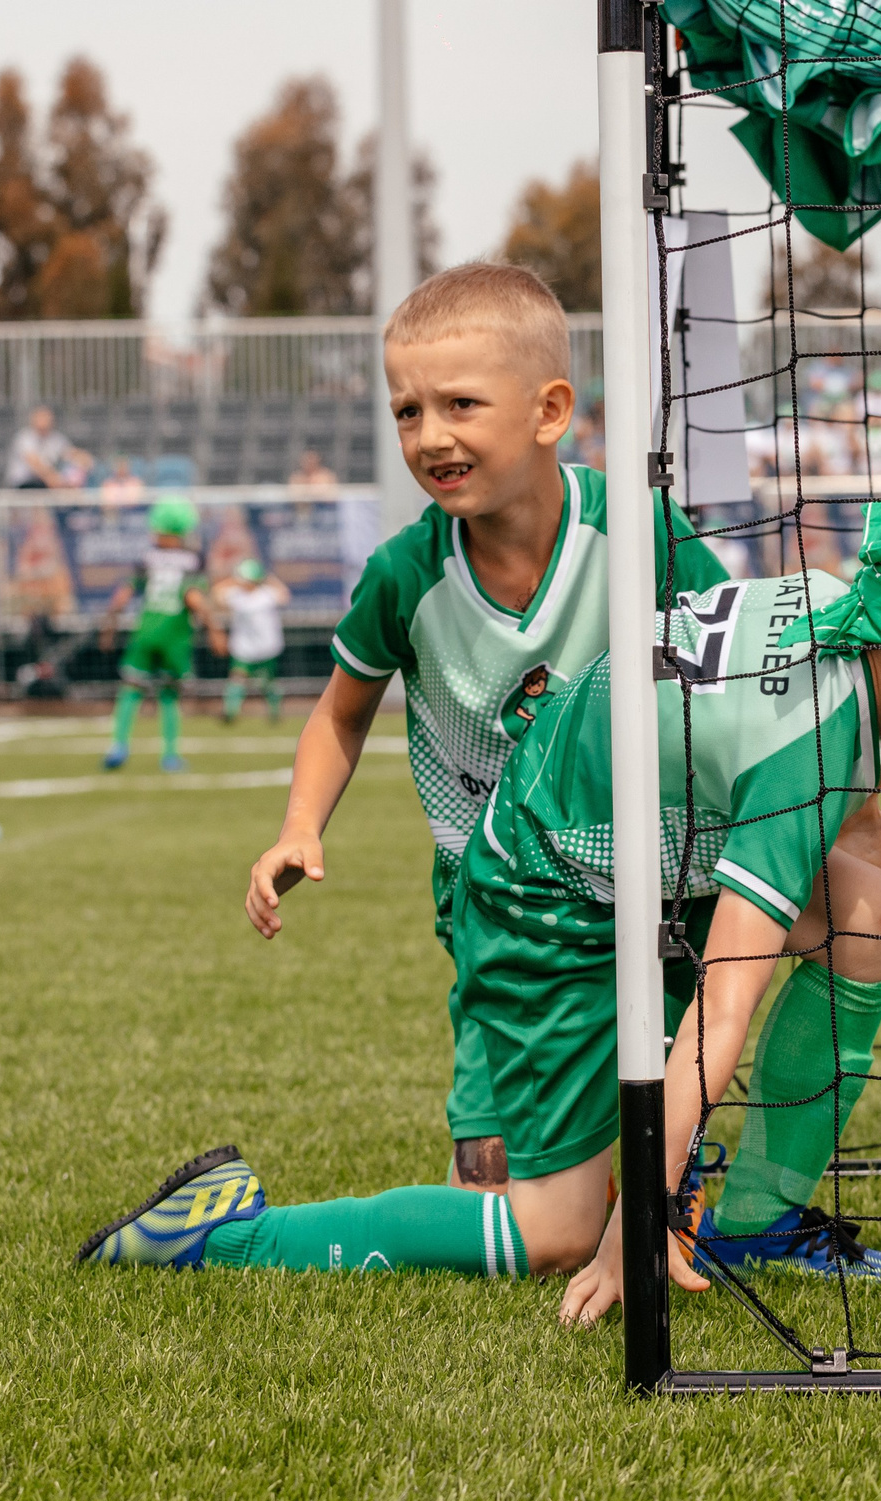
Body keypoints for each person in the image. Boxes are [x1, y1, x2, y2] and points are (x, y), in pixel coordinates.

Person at [84, 485, 881, 1321]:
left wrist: (848, 821)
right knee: (554, 1234)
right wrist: (637, 1218)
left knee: (864, 911)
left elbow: (755, 720)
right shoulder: (806, 750)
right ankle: (223, 1232)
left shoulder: (846, 604)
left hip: (646, 855)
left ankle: (754, 1225)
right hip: (546, 894)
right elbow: (722, 1009)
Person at [240, 261, 731, 1197]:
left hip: (650, 874)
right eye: (407, 412)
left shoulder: (642, 535)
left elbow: (743, 657)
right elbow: (340, 715)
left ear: (549, 412)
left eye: (461, 404)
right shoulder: (403, 574)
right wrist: (299, 827)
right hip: (494, 893)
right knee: (498, 1192)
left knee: (659, 1160)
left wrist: (846, 809)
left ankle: (732, 1192)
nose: (431, 436)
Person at [100, 498, 222, 771]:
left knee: (131, 689)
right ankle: (169, 755)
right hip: (175, 635)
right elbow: (193, 598)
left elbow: (121, 598)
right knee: (169, 694)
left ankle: (118, 745)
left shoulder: (147, 558)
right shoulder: (193, 560)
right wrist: (215, 628)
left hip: (145, 631)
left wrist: (108, 626)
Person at [218, 557, 290, 724]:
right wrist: (233, 580)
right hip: (244, 647)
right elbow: (217, 594)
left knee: (267, 682)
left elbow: (284, 595)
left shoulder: (267, 594)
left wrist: (268, 577)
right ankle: (230, 712)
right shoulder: (236, 595)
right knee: (237, 678)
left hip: (266, 648)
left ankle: (274, 712)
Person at [5, 406, 87, 490]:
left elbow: (72, 454)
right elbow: (35, 464)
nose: (44, 421)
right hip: (25, 483)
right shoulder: (25, 437)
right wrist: (56, 480)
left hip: (47, 483)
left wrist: (85, 461)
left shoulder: (57, 439)